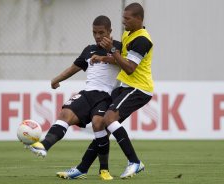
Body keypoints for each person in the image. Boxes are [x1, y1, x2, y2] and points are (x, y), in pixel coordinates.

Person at [57, 2, 154, 179]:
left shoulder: (142, 40)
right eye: (123, 17)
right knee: (102, 126)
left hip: (138, 88)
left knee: (108, 119)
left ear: (139, 19)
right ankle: (82, 168)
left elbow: (130, 68)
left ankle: (135, 161)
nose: (123, 21)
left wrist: (112, 50)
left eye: (127, 18)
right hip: (125, 87)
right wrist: (103, 57)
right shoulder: (129, 34)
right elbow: (119, 59)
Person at [25, 15, 121, 180]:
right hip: (87, 94)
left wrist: (110, 52)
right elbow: (73, 68)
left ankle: (104, 169)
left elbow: (125, 64)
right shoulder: (88, 49)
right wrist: (56, 79)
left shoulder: (118, 47)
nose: (97, 36)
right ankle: (44, 145)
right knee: (65, 114)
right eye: (94, 32)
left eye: (101, 32)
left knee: (99, 124)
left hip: (105, 96)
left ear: (110, 31)